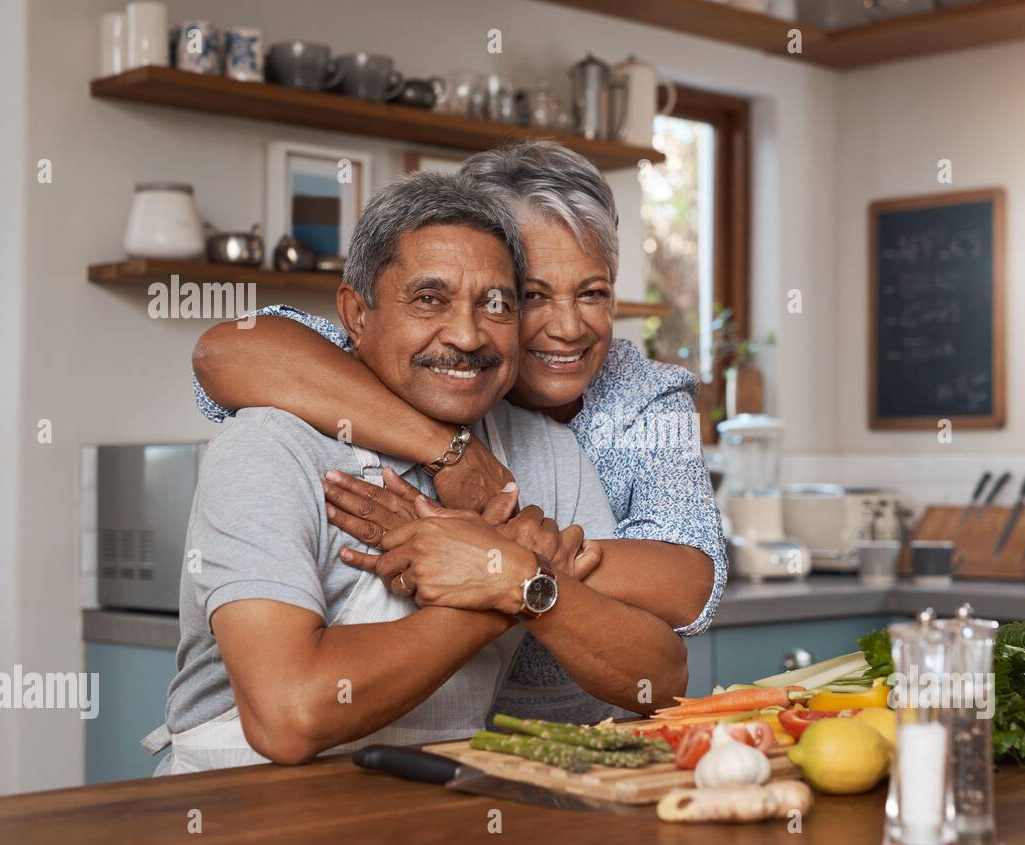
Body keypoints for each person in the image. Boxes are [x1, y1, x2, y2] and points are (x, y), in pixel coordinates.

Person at [150, 171, 687, 773]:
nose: (466, 334)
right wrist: (508, 584)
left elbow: (660, 679)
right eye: (429, 300)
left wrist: (519, 581)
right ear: (356, 314)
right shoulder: (271, 448)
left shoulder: (547, 454)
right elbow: (288, 716)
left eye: (497, 304)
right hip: (240, 812)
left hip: (435, 806)